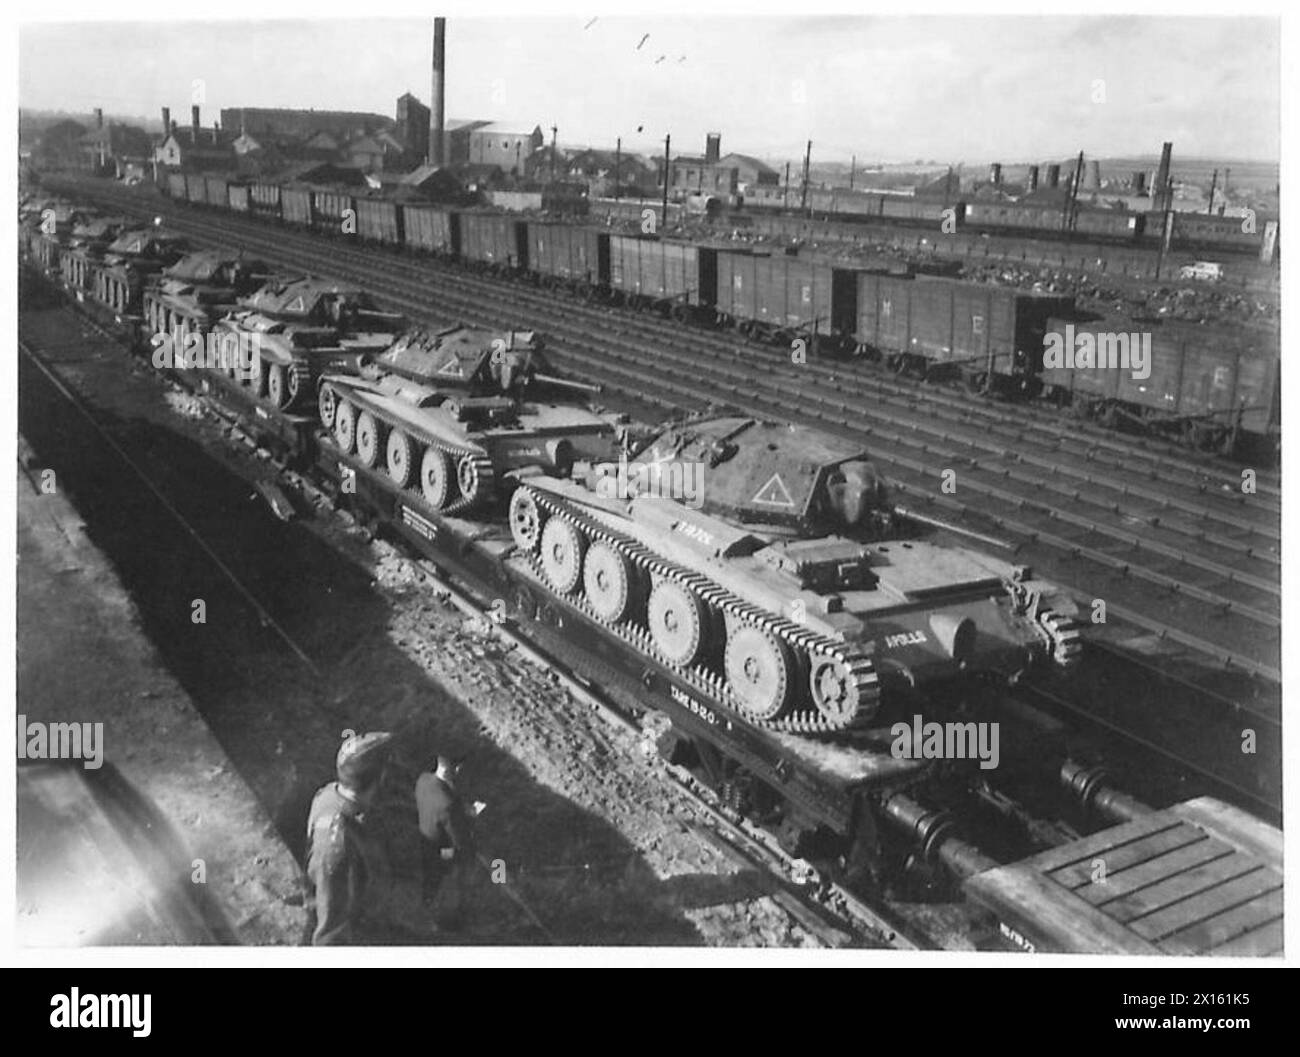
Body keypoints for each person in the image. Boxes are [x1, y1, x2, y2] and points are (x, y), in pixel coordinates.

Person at [303, 731, 394, 945]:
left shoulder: (327, 794)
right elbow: (330, 934)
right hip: (358, 928)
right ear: (380, 778)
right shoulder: (338, 847)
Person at [414, 756, 476, 924]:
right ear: (454, 769)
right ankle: (449, 914)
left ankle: (427, 902)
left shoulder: (423, 780)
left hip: (424, 840)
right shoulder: (447, 806)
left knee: (429, 881)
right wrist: (469, 818)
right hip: (442, 851)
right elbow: (459, 841)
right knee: (463, 859)